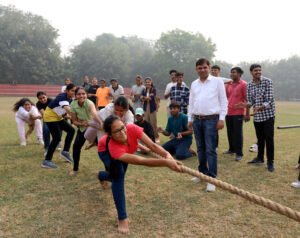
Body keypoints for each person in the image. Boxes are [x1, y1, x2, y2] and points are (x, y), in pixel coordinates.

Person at [97, 115, 182, 233]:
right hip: (105, 151)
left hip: (125, 149)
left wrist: (167, 155)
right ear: (110, 134)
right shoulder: (113, 148)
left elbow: (152, 145)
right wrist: (166, 163)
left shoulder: (131, 128)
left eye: (122, 127)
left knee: (114, 175)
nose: (122, 132)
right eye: (117, 131)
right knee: (118, 176)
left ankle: (102, 175)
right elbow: (142, 161)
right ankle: (122, 218)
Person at [188, 58, 228, 192]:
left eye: (205, 67)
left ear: (209, 68)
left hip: (212, 120)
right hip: (197, 120)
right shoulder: (194, 83)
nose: (202, 70)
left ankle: (212, 178)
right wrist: (190, 118)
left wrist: (221, 118)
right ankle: (202, 173)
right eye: (199, 68)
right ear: (196, 69)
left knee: (211, 149)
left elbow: (223, 101)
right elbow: (191, 102)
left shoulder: (217, 82)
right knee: (200, 148)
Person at [238, 64, 276, 172]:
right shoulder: (249, 85)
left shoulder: (267, 81)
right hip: (257, 117)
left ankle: (270, 162)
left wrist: (261, 107)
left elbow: (269, 99)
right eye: (256, 70)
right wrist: (245, 105)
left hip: (268, 115)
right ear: (251, 72)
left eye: (259, 70)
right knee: (260, 139)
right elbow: (251, 101)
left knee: (269, 139)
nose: (258, 72)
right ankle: (260, 158)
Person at [69, 87, 102, 175]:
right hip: (82, 128)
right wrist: (82, 124)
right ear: (75, 96)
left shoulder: (89, 103)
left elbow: (95, 114)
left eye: (83, 94)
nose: (81, 96)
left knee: (103, 148)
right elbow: (74, 121)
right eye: (79, 94)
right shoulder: (73, 104)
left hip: (93, 128)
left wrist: (100, 123)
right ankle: (75, 169)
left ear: (86, 95)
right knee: (76, 147)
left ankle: (109, 171)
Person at [42, 84, 76, 169]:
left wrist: (69, 117)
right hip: (50, 117)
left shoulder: (69, 98)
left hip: (58, 116)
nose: (74, 92)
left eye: (75, 91)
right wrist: (75, 117)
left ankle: (65, 152)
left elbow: (61, 110)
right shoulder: (62, 96)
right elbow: (68, 109)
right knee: (57, 138)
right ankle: (47, 161)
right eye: (72, 90)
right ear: (67, 91)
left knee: (71, 130)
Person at [223, 67, 247, 161]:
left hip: (238, 112)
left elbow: (247, 99)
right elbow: (226, 97)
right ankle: (231, 149)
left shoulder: (244, 84)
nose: (231, 74)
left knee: (238, 133)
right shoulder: (229, 84)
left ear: (240, 74)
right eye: (231, 72)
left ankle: (239, 153)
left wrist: (247, 113)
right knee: (230, 132)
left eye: (234, 72)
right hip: (228, 112)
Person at [141, 77, 159, 142]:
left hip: (152, 107)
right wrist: (144, 98)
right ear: (145, 83)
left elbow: (150, 98)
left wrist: (144, 97)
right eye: (146, 82)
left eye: (149, 82)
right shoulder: (144, 90)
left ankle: (156, 137)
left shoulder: (153, 89)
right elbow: (141, 98)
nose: (147, 83)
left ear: (151, 82)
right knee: (146, 122)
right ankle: (148, 136)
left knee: (153, 123)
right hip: (146, 107)